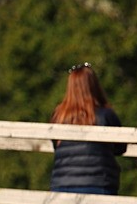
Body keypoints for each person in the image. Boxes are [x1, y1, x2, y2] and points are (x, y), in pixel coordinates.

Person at [49, 63, 126, 195]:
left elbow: (56, 146)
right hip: (99, 184)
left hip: (62, 186)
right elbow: (121, 148)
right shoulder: (105, 115)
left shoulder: (59, 116)